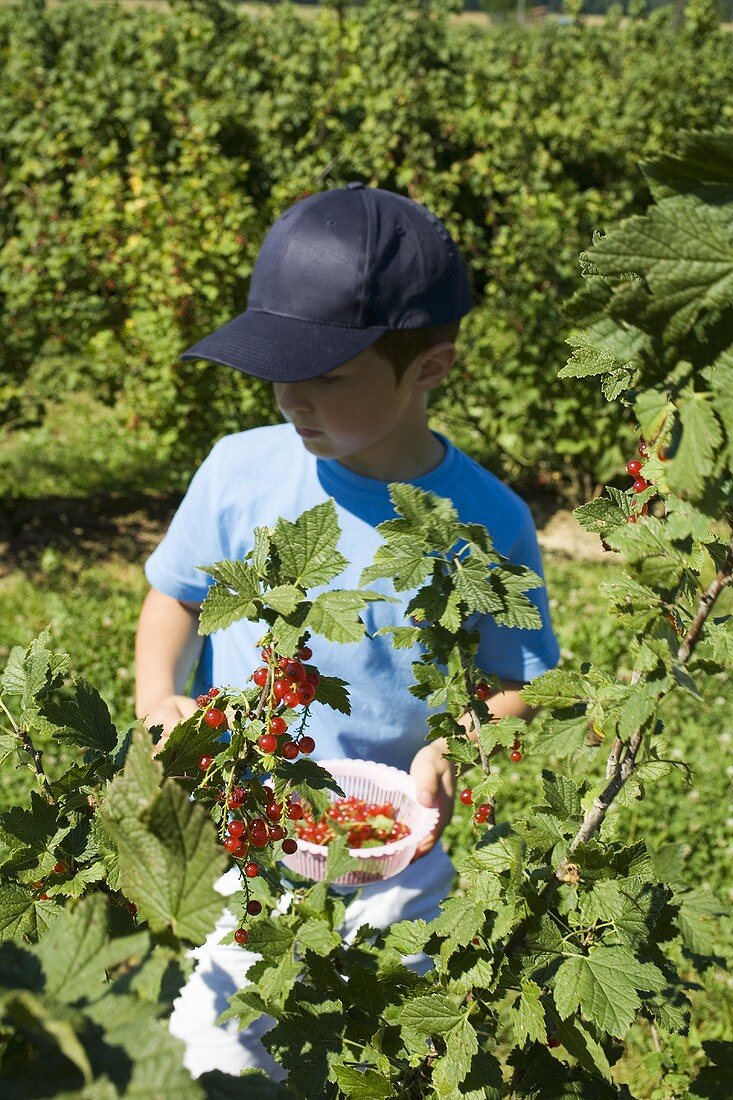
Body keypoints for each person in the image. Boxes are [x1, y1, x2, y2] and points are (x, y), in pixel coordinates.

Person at [134, 181, 561, 1079]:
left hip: (393, 854)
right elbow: (173, 598)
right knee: (213, 1052)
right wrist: (160, 699)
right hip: (242, 829)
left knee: (376, 1053)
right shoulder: (237, 473)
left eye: (328, 376)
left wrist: (460, 744)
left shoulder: (486, 520)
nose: (294, 397)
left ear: (429, 369)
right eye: (280, 370)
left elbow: (512, 679)